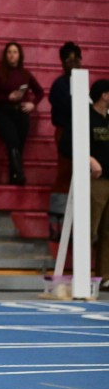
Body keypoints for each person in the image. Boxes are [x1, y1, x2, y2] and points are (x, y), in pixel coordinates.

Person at [0, 41, 45, 186]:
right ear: (5, 55)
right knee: (12, 142)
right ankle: (19, 173)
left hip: (21, 113)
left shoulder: (25, 74)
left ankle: (14, 176)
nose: (12, 55)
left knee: (19, 145)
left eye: (15, 52)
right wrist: (7, 97)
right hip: (4, 113)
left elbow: (40, 92)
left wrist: (32, 104)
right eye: (9, 52)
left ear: (19, 55)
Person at [49, 41, 82, 194]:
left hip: (80, 131)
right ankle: (59, 204)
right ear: (63, 63)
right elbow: (69, 106)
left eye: (77, 60)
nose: (74, 64)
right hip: (65, 132)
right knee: (66, 169)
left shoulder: (82, 83)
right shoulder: (59, 85)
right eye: (70, 60)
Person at [87, 79, 109, 291]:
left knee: (108, 232)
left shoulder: (108, 118)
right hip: (95, 181)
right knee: (90, 229)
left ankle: (104, 276)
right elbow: (67, 144)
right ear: (104, 95)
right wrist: (89, 159)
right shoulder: (86, 117)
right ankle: (83, 275)